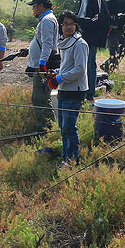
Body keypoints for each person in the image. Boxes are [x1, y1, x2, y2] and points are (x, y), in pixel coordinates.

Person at [48, 11, 89, 168]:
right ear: (61, 26)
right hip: (64, 90)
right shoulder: (64, 43)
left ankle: (72, 160)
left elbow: (79, 69)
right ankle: (66, 158)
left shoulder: (80, 44)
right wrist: (56, 73)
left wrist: (60, 78)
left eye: (71, 24)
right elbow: (66, 67)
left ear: (76, 26)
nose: (68, 27)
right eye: (65, 24)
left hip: (75, 91)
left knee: (69, 127)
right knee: (62, 126)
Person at [26, 0, 59, 133]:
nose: (33, 9)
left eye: (34, 6)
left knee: (40, 99)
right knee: (41, 99)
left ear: (41, 5)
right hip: (41, 64)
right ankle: (47, 128)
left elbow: (47, 44)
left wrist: (42, 66)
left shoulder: (46, 20)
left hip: (44, 66)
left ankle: (46, 130)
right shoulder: (45, 19)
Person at [76, 0, 110, 102]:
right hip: (82, 33)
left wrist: (83, 22)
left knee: (90, 63)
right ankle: (82, 89)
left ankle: (89, 93)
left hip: (92, 35)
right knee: (81, 63)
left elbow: (101, 18)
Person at [103, 0, 125, 72]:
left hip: (121, 30)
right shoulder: (109, 3)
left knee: (122, 52)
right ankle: (112, 71)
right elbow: (105, 17)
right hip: (112, 31)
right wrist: (114, 17)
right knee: (114, 51)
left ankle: (106, 65)